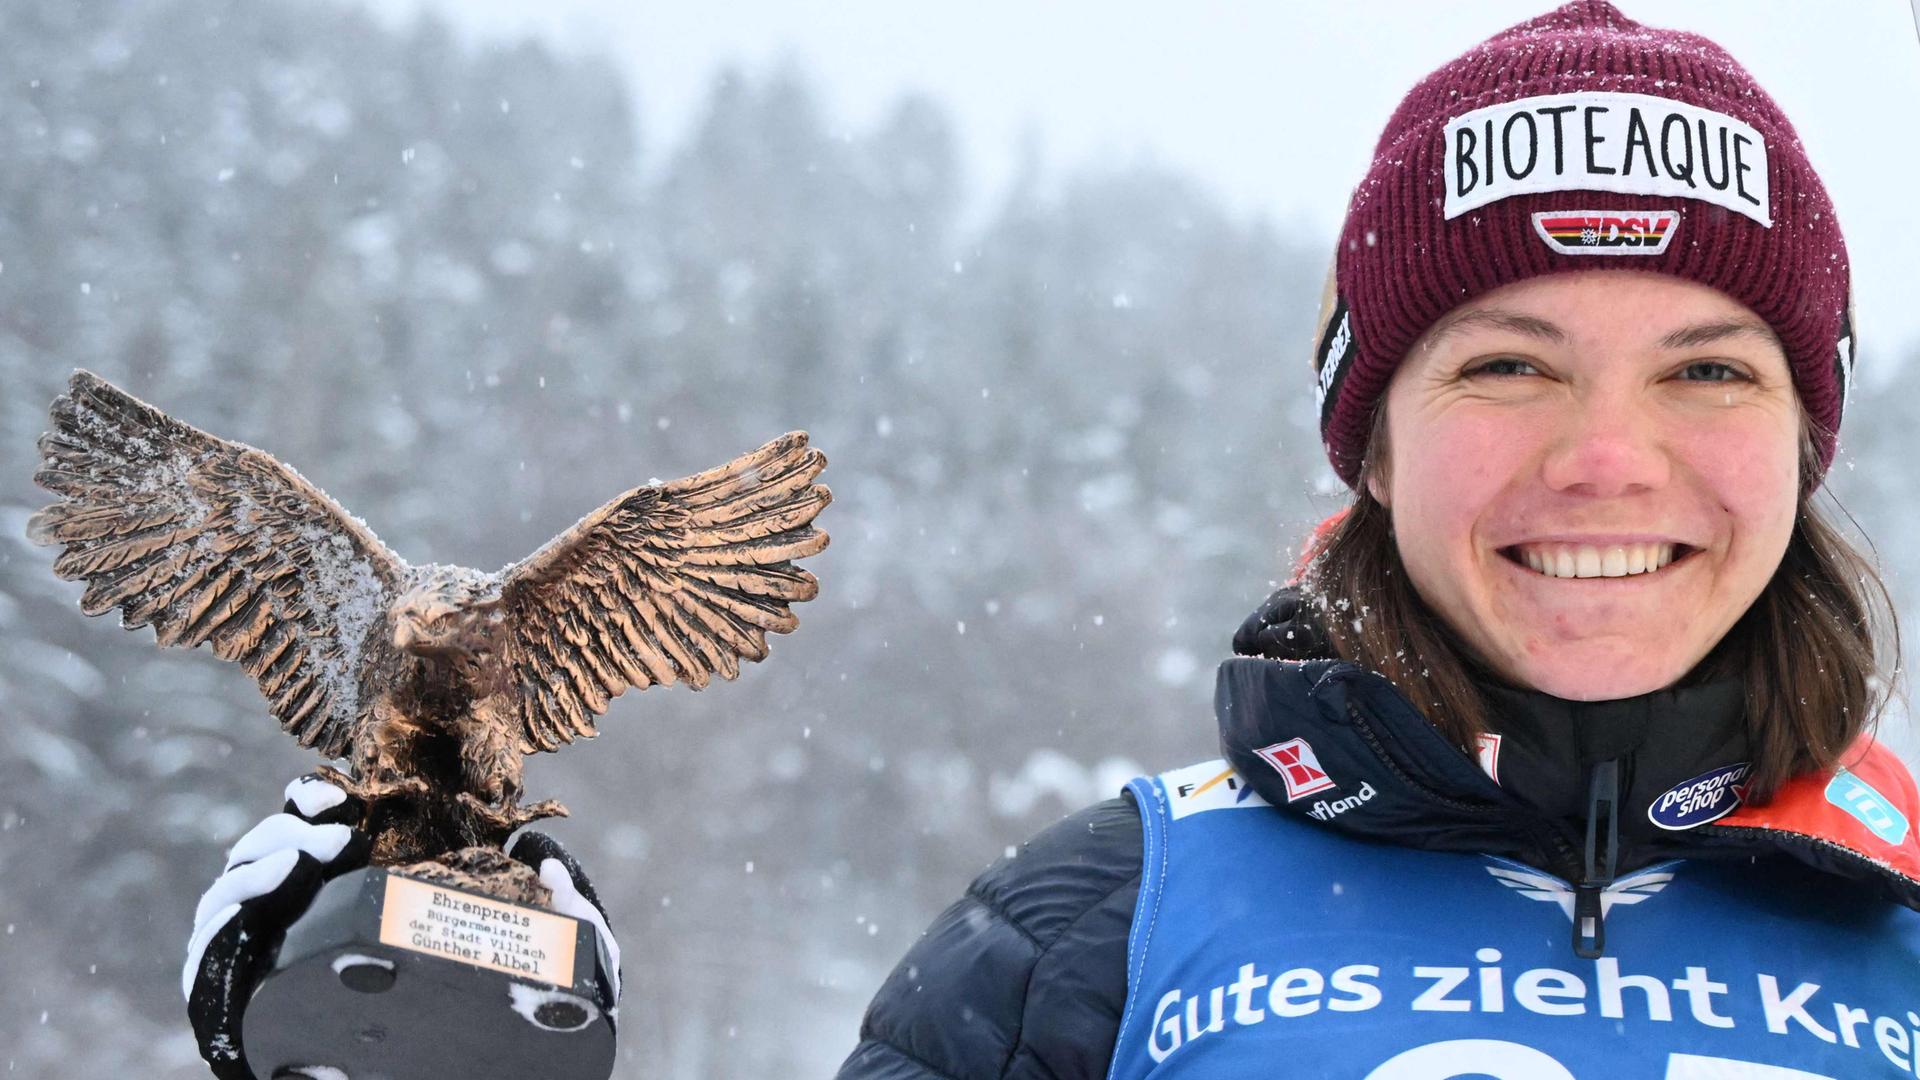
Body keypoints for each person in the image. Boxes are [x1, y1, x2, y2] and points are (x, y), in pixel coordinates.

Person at [834, 2, 1920, 1077]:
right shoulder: (1096, 934)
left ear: (1802, 444)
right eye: (1508, 366)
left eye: (1708, 371)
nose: (1607, 458)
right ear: (1377, 454)